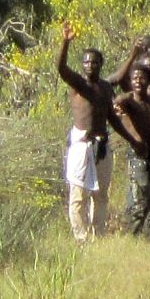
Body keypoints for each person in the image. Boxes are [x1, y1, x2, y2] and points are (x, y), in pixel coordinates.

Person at [57, 22, 135, 242]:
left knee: (101, 195)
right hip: (81, 145)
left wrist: (133, 140)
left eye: (94, 62)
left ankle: (98, 235)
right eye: (86, 62)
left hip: (102, 146)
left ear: (101, 64)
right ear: (82, 65)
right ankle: (81, 238)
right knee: (78, 194)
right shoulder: (78, 85)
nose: (90, 65)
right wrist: (65, 42)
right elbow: (61, 68)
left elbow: (112, 119)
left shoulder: (105, 88)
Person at [113, 64, 150, 240]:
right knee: (140, 201)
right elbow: (117, 103)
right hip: (138, 154)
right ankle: (132, 237)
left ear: (148, 81)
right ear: (130, 82)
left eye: (142, 77)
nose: (139, 80)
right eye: (135, 78)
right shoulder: (128, 100)